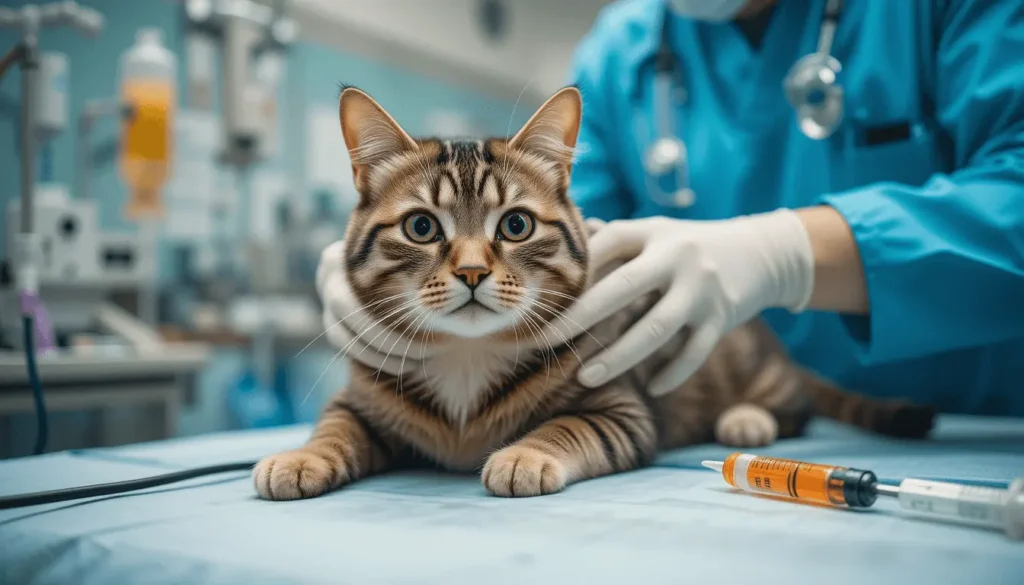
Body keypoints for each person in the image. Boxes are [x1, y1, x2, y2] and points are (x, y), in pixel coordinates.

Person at [317, 0, 1024, 416]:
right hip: (728, 431)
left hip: (986, 433)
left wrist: (789, 255)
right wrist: (385, 270)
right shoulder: (624, 51)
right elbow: (565, 253)